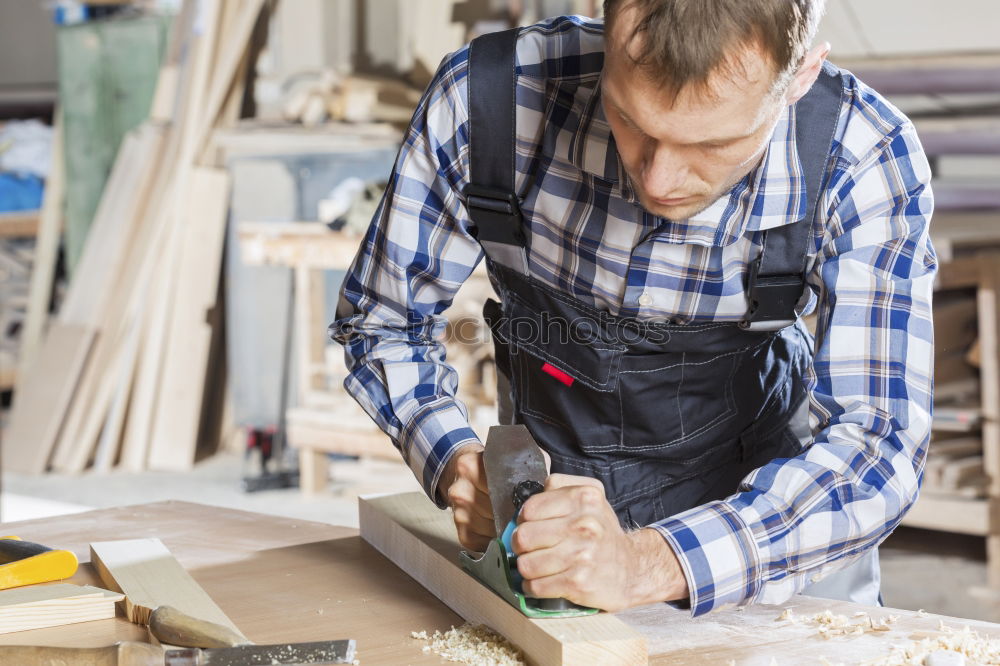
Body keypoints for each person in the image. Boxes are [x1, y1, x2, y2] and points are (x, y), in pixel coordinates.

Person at [332, 0, 935, 616]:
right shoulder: (485, 101)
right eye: (630, 119)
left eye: (715, 142)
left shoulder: (861, 154)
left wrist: (650, 562)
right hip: (545, 539)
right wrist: (456, 459)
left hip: (775, 534)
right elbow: (381, 323)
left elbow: (878, 444)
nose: (660, 180)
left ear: (800, 76)